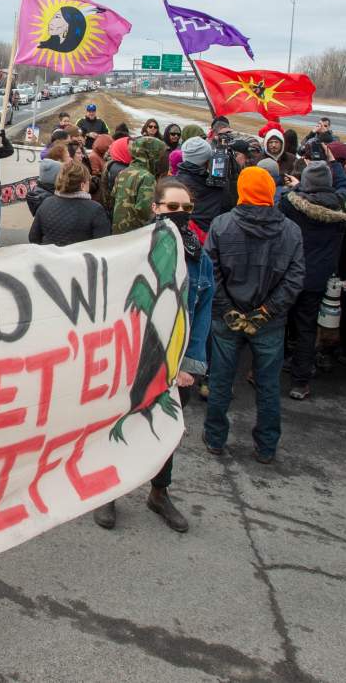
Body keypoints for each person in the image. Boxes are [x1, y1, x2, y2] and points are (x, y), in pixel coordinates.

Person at [94, 178, 212, 533]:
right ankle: (107, 491)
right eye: (172, 208)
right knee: (120, 423)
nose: (179, 215)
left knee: (165, 428)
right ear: (156, 208)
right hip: (133, 356)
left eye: (186, 209)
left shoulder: (198, 254)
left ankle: (158, 493)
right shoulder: (133, 248)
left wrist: (191, 362)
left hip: (176, 362)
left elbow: (203, 309)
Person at [203, 167, 304, 464]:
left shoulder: (222, 225)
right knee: (268, 384)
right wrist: (267, 311)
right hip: (269, 322)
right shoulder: (290, 230)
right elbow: (295, 278)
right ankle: (266, 446)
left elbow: (212, 274)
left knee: (221, 379)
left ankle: (215, 438)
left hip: (229, 318)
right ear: (271, 192)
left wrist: (228, 310)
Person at [279, 162, 346, 399]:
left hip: (291, 273)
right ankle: (301, 381)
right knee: (306, 327)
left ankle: (267, 370)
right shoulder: (342, 207)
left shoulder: (290, 204)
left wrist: (299, 185)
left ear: (306, 183)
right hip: (318, 276)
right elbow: (344, 189)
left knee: (278, 323)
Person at [28, 158, 111, 247]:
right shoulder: (95, 209)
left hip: (49, 257)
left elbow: (33, 237)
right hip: (79, 259)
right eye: (88, 181)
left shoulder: (46, 203)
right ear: (82, 185)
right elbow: (102, 245)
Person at [111, 136, 167, 233]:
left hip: (118, 230)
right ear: (152, 155)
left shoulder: (123, 172)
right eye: (159, 155)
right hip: (136, 234)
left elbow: (113, 197)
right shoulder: (147, 177)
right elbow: (146, 210)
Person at [99, 136, 132, 212]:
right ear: (122, 149)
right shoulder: (120, 169)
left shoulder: (111, 162)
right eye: (130, 147)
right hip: (115, 209)